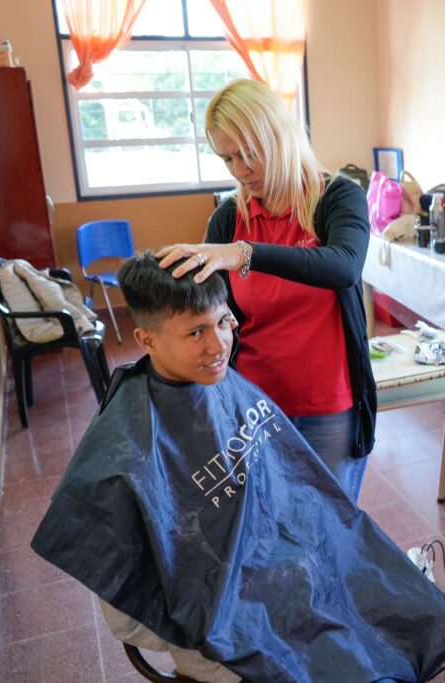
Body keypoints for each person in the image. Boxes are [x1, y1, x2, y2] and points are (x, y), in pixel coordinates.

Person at [32, 253, 445, 683]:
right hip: (221, 630)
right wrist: (230, 617)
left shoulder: (220, 381)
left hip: (290, 574)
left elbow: (292, 492)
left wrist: (295, 567)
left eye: (223, 322)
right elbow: (129, 620)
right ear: (147, 341)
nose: (218, 347)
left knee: (397, 616)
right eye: (195, 333)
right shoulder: (121, 454)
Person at [155, 78, 374, 502]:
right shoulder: (229, 218)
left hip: (329, 407)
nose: (240, 170)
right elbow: (210, 309)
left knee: (327, 529)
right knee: (265, 526)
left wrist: (244, 254)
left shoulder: (337, 198)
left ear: (280, 135)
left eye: (249, 153)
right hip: (253, 406)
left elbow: (343, 266)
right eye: (227, 158)